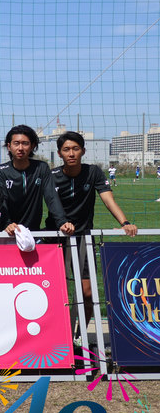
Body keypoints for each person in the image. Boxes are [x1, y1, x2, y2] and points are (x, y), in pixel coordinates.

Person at [47, 132, 137, 335]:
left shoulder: (93, 172)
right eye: (66, 150)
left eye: (75, 149)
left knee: (87, 294)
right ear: (60, 154)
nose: (71, 153)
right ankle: (58, 338)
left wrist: (125, 223)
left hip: (83, 238)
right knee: (54, 294)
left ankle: (79, 338)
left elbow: (108, 200)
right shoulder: (51, 176)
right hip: (56, 239)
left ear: (83, 151)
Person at [0, 125, 73, 237]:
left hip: (33, 233)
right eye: (16, 143)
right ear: (9, 146)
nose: (20, 148)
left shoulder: (41, 168)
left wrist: (62, 222)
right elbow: (1, 201)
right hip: (8, 232)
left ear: (32, 146)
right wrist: (7, 223)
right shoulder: (0, 171)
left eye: (25, 143)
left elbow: (51, 196)